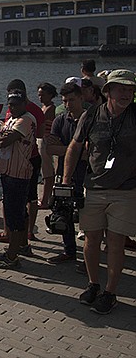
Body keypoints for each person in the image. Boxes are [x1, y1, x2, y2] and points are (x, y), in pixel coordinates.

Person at [62, 69, 136, 315]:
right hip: (93, 188)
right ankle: (93, 284)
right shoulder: (92, 115)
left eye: (130, 89)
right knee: (91, 240)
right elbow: (74, 147)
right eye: (121, 89)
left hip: (125, 191)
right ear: (108, 91)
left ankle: (110, 293)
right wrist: (65, 181)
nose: (126, 94)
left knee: (115, 244)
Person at [0, 79, 43, 246]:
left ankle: (14, 250)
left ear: (24, 101)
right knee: (17, 206)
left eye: (16, 103)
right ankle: (21, 243)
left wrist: (4, 136)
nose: (12, 107)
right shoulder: (13, 115)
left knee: (17, 210)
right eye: (10, 103)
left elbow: (4, 140)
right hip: (9, 168)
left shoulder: (27, 117)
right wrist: (3, 137)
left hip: (22, 167)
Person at [45, 82, 87, 264]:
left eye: (72, 100)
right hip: (63, 176)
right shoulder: (60, 120)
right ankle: (69, 251)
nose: (68, 104)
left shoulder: (90, 120)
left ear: (81, 98)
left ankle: (90, 256)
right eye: (65, 101)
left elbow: (90, 153)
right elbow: (50, 149)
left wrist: (65, 148)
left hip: (87, 176)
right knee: (63, 213)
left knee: (89, 218)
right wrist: (73, 150)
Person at [37, 82, 58, 209]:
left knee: (47, 171)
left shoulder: (50, 108)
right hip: (40, 140)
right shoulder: (43, 107)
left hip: (45, 140)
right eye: (39, 95)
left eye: (43, 95)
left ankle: (45, 200)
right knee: (44, 170)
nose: (40, 97)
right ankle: (46, 197)